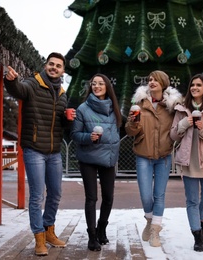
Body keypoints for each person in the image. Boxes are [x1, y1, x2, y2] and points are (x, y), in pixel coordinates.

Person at [4, 52, 75, 256]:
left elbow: (60, 124)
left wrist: (67, 118)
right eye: (51, 64)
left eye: (58, 66)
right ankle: (39, 238)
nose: (54, 68)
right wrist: (12, 81)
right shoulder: (33, 84)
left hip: (53, 152)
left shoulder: (62, 93)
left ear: (62, 70)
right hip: (34, 149)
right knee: (37, 196)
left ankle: (49, 229)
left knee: (56, 193)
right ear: (46, 66)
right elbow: (19, 89)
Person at [125, 70, 182, 247]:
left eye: (155, 80)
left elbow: (178, 128)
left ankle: (155, 230)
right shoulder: (139, 104)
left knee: (159, 194)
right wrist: (133, 124)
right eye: (149, 79)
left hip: (164, 156)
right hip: (143, 155)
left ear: (163, 83)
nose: (151, 82)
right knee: (145, 194)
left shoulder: (172, 106)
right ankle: (149, 221)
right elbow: (130, 131)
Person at [170, 74, 203, 252]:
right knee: (192, 200)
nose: (194, 88)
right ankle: (197, 235)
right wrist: (185, 123)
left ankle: (201, 223)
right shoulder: (181, 109)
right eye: (192, 85)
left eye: (198, 85)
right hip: (188, 161)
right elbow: (173, 135)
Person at [70, 73, 122, 251]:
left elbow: (118, 132)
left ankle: (102, 229)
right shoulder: (83, 108)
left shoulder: (114, 109)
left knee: (108, 197)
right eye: (94, 84)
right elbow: (75, 135)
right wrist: (88, 137)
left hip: (108, 157)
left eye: (101, 83)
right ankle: (92, 236)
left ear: (107, 86)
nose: (97, 86)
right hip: (88, 158)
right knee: (91, 198)